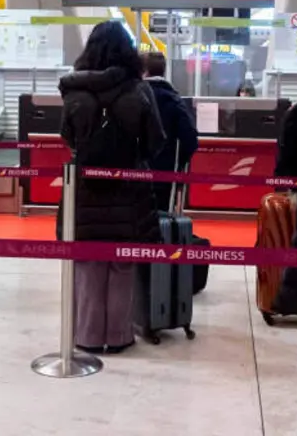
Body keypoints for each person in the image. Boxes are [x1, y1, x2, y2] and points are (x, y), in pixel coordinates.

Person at [59, 21, 165, 354]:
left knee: (88, 263)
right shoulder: (139, 90)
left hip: (85, 189)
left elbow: (67, 135)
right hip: (128, 190)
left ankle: (88, 336)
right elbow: (155, 141)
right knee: (122, 263)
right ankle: (119, 337)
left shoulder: (74, 90)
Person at [142, 52, 198, 212]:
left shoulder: (132, 97)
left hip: (133, 173)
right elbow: (190, 139)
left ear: (144, 71)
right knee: (161, 214)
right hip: (164, 172)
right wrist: (178, 164)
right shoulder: (173, 99)